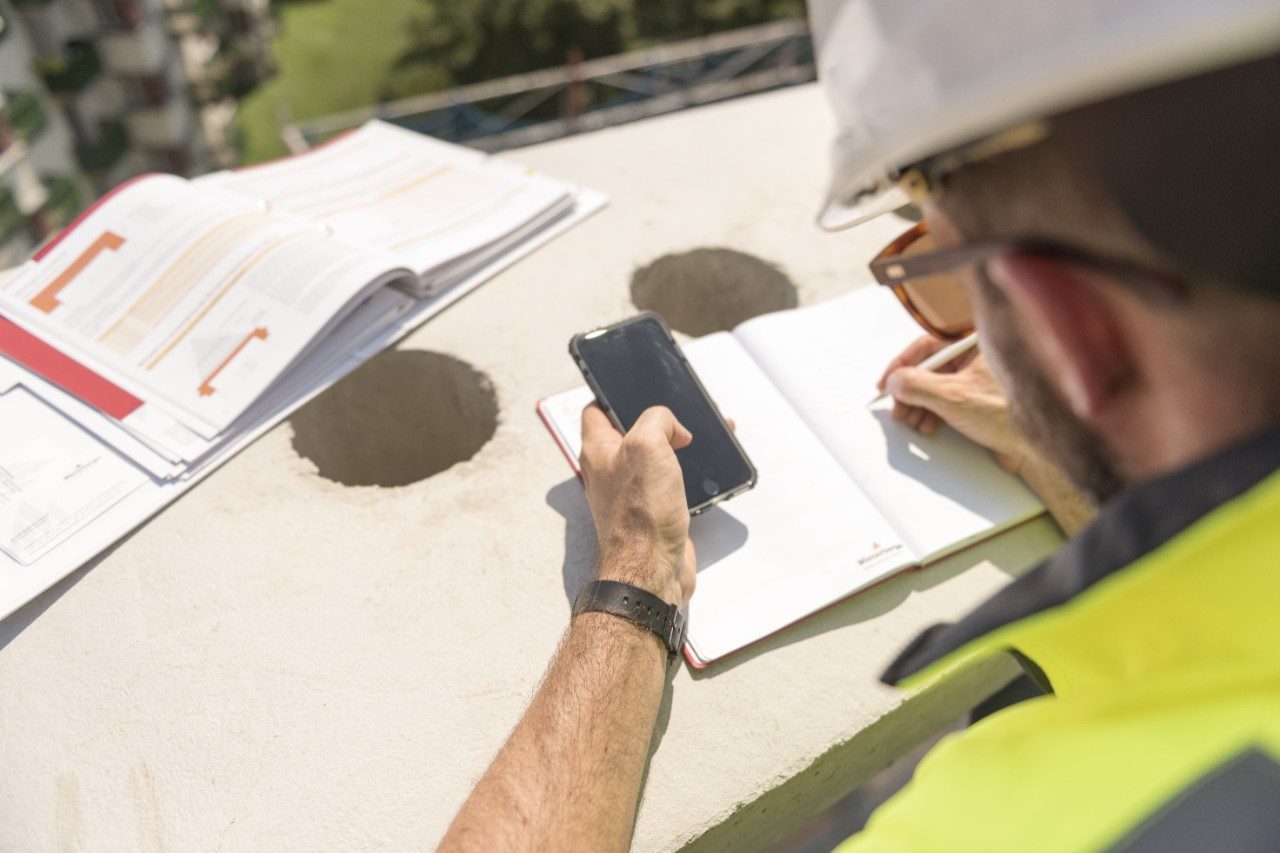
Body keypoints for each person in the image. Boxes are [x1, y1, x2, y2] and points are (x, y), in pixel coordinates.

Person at [442, 1, 1280, 848]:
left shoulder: (1015, 824)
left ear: (1068, 329)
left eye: (943, 279)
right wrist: (1063, 444)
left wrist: (637, 565)